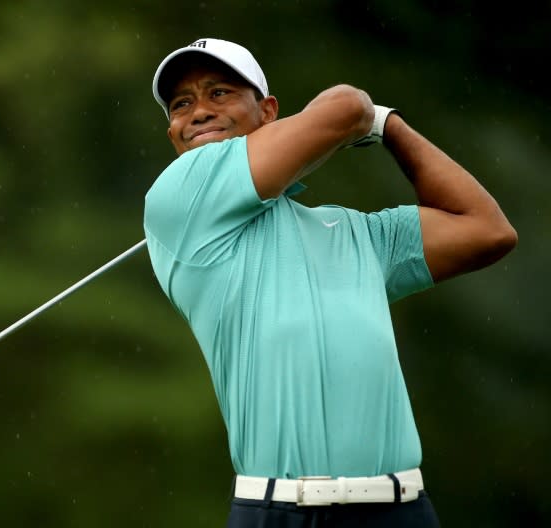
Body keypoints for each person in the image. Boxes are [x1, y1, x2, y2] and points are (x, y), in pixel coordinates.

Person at [143, 38, 517, 527]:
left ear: (268, 111)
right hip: (277, 511)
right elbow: (345, 107)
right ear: (172, 131)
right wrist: (365, 117)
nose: (197, 112)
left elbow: (487, 230)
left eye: (219, 93)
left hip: (399, 509)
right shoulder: (177, 198)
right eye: (181, 104)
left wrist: (388, 125)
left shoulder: (357, 232)